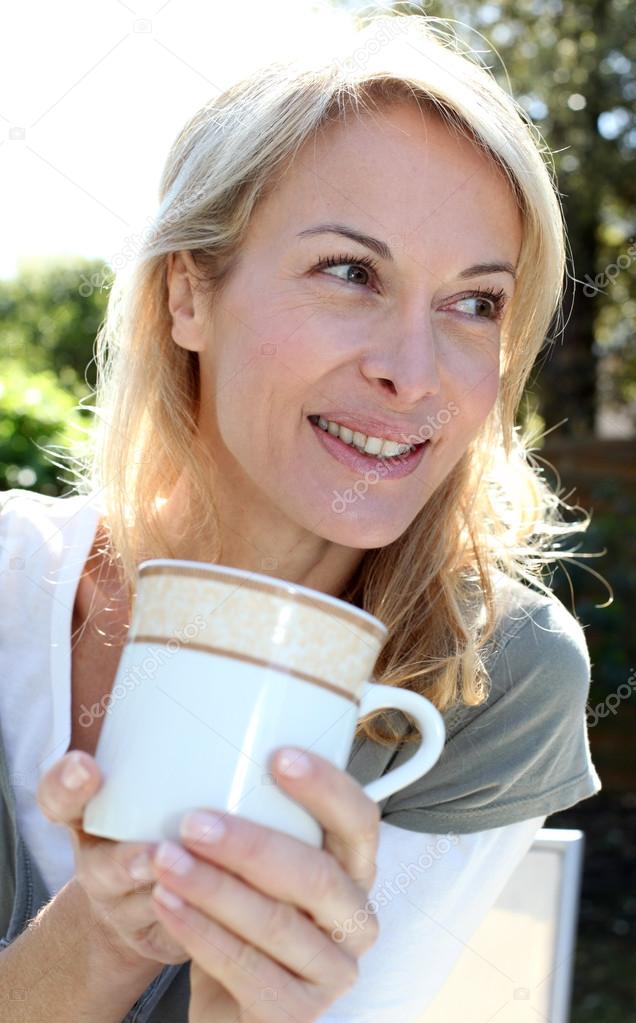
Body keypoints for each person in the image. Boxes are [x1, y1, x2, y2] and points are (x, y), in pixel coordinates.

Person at [0, 11, 605, 1023]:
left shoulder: (497, 677)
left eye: (475, 302)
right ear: (188, 295)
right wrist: (100, 936)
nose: (412, 374)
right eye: (349, 272)